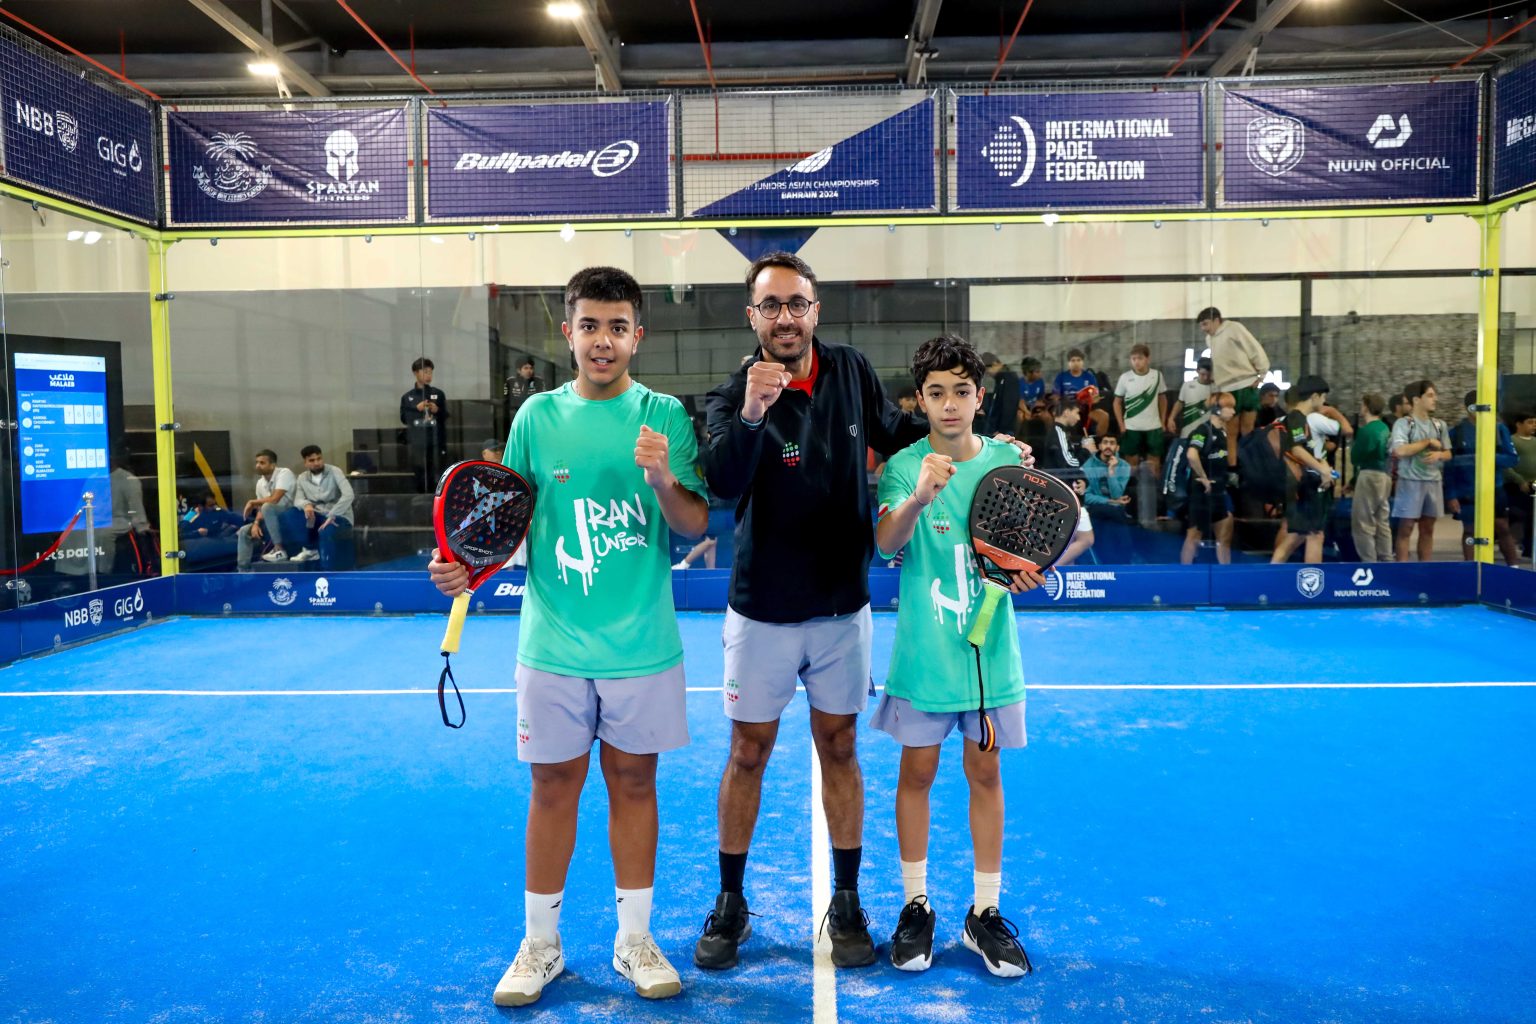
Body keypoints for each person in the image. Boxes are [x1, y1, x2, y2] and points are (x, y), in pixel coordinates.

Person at [429, 266, 708, 1008]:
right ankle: (541, 945)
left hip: (642, 645)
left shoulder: (665, 417)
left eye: (617, 327)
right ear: (568, 333)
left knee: (635, 784)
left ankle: (634, 939)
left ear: (638, 335)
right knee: (552, 787)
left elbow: (692, 525)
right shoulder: (535, 418)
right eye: (589, 326)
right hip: (552, 646)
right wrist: (463, 569)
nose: (602, 340)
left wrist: (662, 479)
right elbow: (503, 521)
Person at [695, 251, 928, 971]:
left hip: (840, 608)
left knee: (840, 747)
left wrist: (974, 441)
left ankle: (848, 900)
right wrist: (753, 412)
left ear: (815, 311)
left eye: (797, 303)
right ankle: (731, 901)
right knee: (747, 752)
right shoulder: (730, 394)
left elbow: (900, 434)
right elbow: (723, 480)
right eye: (771, 306)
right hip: (761, 609)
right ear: (752, 317)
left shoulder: (851, 370)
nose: (786, 317)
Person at [871, 335, 1042, 977]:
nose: (949, 404)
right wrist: (918, 496)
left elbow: (1025, 546)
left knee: (986, 774)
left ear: (979, 397)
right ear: (919, 400)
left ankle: (985, 914)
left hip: (990, 655)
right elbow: (885, 543)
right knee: (916, 774)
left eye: (961, 391)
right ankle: (915, 906)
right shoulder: (903, 465)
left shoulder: (1008, 461)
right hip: (925, 656)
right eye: (936, 392)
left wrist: (1026, 573)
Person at [1270, 376, 1339, 565]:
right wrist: (1322, 469)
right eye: (1323, 397)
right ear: (1314, 396)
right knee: (1315, 535)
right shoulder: (1297, 418)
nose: (1324, 401)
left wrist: (1322, 465)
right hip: (1304, 485)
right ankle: (1313, 579)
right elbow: (1297, 449)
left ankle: (1271, 573)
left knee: (1297, 536)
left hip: (1300, 483)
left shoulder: (1299, 419)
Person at [1448, 390, 1522, 566]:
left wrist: (1489, 457)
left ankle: (1514, 567)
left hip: (1494, 488)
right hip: (1466, 490)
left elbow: (1512, 459)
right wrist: (1451, 494)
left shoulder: (1499, 430)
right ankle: (1470, 569)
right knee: (1469, 530)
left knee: (1502, 527)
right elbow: (1449, 466)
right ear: (1470, 408)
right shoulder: (1457, 432)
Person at [1197, 307, 1270, 463]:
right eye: (1201, 325)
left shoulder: (1234, 328)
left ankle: (1250, 466)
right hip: (1227, 388)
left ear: (1217, 320)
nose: (1203, 329)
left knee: (1248, 430)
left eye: (1206, 324)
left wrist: (1262, 372)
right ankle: (1233, 467)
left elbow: (1253, 347)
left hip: (1246, 383)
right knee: (1230, 432)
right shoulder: (1209, 339)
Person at [1390, 380, 1452, 563]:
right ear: (1417, 399)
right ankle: (1402, 569)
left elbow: (1448, 453)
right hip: (1410, 481)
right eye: (1430, 395)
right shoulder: (1403, 424)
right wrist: (1427, 442)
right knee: (1406, 527)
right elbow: (1400, 450)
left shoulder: (1440, 425)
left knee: (1428, 528)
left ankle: (1425, 569)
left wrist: (1439, 455)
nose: (1435, 399)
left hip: (1433, 481)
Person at [1180, 393, 1237, 564]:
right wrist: (1203, 477)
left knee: (1224, 537)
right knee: (1194, 536)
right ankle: (1185, 574)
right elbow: (1191, 454)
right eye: (1229, 407)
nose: (1233, 411)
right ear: (1217, 409)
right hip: (1202, 492)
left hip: (1218, 491)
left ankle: (1225, 574)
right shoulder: (1203, 430)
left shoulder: (1223, 432)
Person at [284, 446, 355, 566]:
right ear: (305, 463)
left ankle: (327, 570)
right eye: (312, 460)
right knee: (291, 514)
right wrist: (306, 505)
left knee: (325, 531)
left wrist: (333, 514)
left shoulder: (335, 471)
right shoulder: (302, 477)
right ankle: (310, 549)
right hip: (318, 515)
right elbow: (298, 500)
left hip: (339, 516)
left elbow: (349, 495)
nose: (317, 463)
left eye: (319, 459)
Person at [1349, 394, 1395, 563]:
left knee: (1363, 522)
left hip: (1369, 475)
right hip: (1385, 475)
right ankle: (1386, 558)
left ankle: (1369, 562)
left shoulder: (1367, 430)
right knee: (1382, 520)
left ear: (1367, 407)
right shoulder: (1385, 428)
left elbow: (1356, 457)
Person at [1112, 343, 1167, 476]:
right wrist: (1121, 424)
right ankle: (1132, 486)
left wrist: (1163, 421)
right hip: (1131, 427)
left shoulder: (1157, 375)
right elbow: (1117, 402)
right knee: (1131, 462)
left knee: (1154, 462)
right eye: (1133, 359)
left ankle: (1154, 487)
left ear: (1147, 359)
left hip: (1153, 426)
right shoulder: (1125, 377)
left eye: (1140, 358)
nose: (1136, 362)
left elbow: (1162, 399)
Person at [236, 449, 295, 570]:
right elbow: (261, 509)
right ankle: (243, 571)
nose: (258, 465)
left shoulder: (284, 473)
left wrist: (252, 502)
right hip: (270, 516)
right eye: (257, 462)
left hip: (289, 513)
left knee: (268, 506)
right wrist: (256, 523)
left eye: (262, 463)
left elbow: (274, 499)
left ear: (273, 465)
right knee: (244, 531)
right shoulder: (260, 483)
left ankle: (279, 549)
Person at [400, 356, 449, 492]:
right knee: (419, 475)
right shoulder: (407, 397)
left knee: (437, 474)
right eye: (425, 372)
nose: (429, 375)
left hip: (436, 442)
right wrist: (416, 409)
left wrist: (437, 410)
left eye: (430, 372)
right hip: (418, 443)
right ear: (415, 373)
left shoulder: (438, 394)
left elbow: (446, 416)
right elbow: (404, 418)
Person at [1506, 411, 1536, 559]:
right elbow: (1506, 464)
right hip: (1516, 485)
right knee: (1518, 515)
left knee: (1533, 517)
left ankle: (1530, 549)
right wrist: (1519, 480)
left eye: (1535, 422)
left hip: (1533, 485)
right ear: (1519, 424)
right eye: (1530, 422)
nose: (1534, 425)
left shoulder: (1535, 442)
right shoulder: (1512, 441)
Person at [1167, 356, 1213, 438]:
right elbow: (1180, 403)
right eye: (1203, 374)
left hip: (1207, 430)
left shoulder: (1215, 388)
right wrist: (1171, 418)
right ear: (1197, 370)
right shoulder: (1187, 385)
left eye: (1208, 375)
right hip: (1188, 429)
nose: (1206, 378)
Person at [981, 352, 1020, 437]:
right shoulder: (1000, 378)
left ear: (995, 364)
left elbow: (1009, 406)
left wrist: (1002, 430)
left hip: (1004, 429)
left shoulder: (1009, 377)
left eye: (988, 370)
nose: (988, 374)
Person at [504, 357, 546, 426]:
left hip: (533, 416)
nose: (529, 371)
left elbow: (541, 400)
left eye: (531, 368)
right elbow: (507, 401)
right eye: (526, 368)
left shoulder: (539, 381)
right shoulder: (510, 381)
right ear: (518, 370)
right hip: (515, 416)